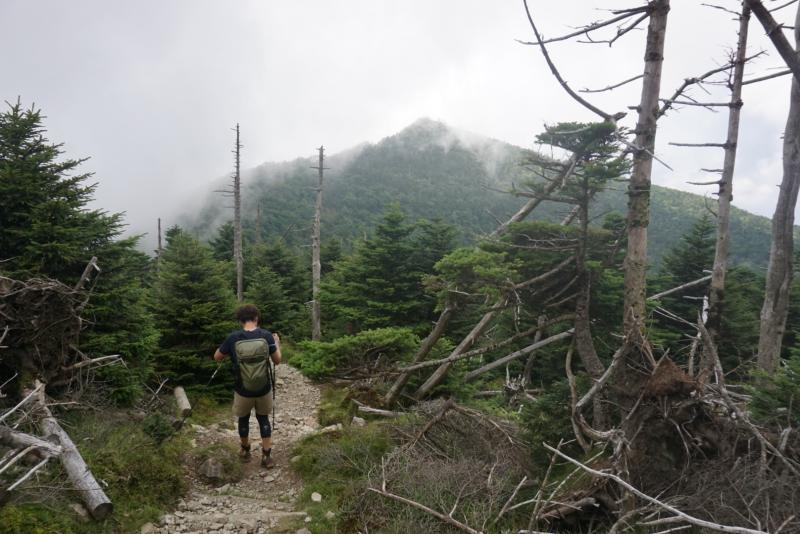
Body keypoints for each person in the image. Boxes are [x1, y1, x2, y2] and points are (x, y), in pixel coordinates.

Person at [213, 304, 282, 468]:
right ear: (256, 318)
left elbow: (217, 357)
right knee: (263, 419)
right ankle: (266, 456)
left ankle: (245, 451)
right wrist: (277, 343)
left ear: (240, 321)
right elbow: (277, 361)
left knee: (243, 419)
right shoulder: (266, 336)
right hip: (263, 387)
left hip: (242, 389)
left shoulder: (233, 338)